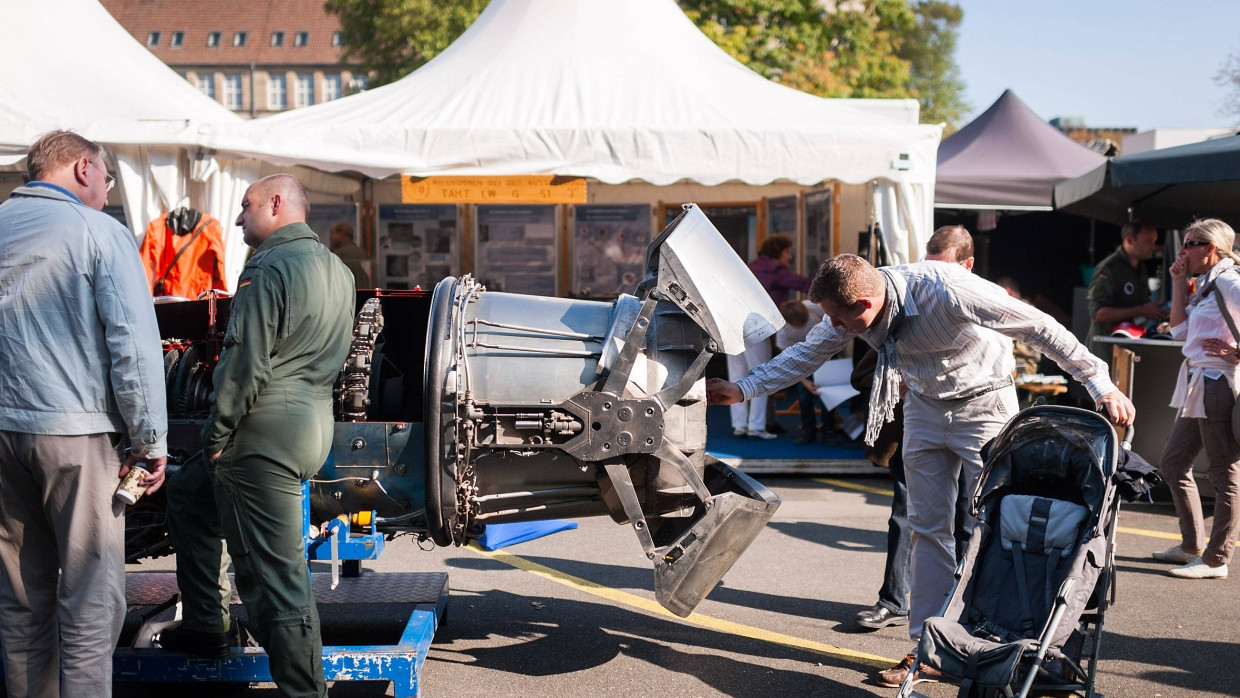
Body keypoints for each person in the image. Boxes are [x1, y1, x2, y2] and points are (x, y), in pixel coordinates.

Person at [707, 252, 1133, 688]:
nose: (832, 326)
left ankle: (1002, 640)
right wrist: (743, 388)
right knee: (926, 529)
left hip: (984, 403)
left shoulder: (947, 291)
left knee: (997, 527)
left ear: (866, 305)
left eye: (837, 318)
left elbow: (1038, 326)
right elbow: (808, 353)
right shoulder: (849, 307)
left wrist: (1100, 383)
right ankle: (928, 651)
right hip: (924, 406)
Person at [162, 174, 355, 698]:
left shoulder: (267, 267)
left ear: (276, 204)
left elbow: (244, 364)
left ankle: (304, 690)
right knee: (188, 497)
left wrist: (218, 434)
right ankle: (206, 624)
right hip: (311, 427)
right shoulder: (339, 269)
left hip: (259, 436)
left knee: (274, 579)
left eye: (245, 207)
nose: (239, 218)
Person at [0, 130, 168, 697]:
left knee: (21, 598)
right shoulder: (99, 232)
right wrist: (150, 442)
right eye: (107, 177)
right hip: (75, 433)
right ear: (81, 169)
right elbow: (134, 345)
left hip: (3, 435)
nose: (106, 188)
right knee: (92, 597)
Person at [1152, 218, 1240, 580]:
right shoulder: (1206, 283)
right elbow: (1179, 332)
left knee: (1224, 474)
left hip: (1218, 383)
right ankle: (1192, 545)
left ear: (1211, 249)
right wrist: (1176, 284)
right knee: (1173, 464)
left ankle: (1217, 559)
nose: (1182, 249)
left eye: (1190, 243)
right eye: (1184, 242)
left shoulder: (1229, 280)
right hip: (1199, 383)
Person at [729, 234, 813, 439]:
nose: (789, 257)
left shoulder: (750, 267)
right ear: (778, 253)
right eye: (787, 252)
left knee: (736, 375)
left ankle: (739, 425)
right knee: (760, 375)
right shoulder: (776, 272)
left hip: (731, 324)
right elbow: (804, 284)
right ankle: (756, 426)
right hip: (756, 326)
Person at [1087, 220, 1168, 350]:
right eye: (1149, 241)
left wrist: (1154, 309)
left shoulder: (1140, 268)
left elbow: (1140, 306)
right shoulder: (1109, 269)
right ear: (1130, 240)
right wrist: (1141, 310)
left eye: (1154, 242)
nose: (1153, 247)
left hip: (1131, 345)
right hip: (1108, 349)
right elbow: (1098, 313)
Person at [775, 299, 827, 445]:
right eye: (799, 325)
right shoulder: (782, 328)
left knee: (828, 394)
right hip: (801, 359)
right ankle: (808, 431)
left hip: (826, 352)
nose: (804, 326)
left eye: (804, 322)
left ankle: (829, 430)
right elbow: (786, 358)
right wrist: (804, 381)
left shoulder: (814, 308)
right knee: (804, 396)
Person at [329, 220, 372, 288]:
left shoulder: (337, 254)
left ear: (342, 234)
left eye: (333, 233)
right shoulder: (364, 254)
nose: (330, 237)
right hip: (364, 296)